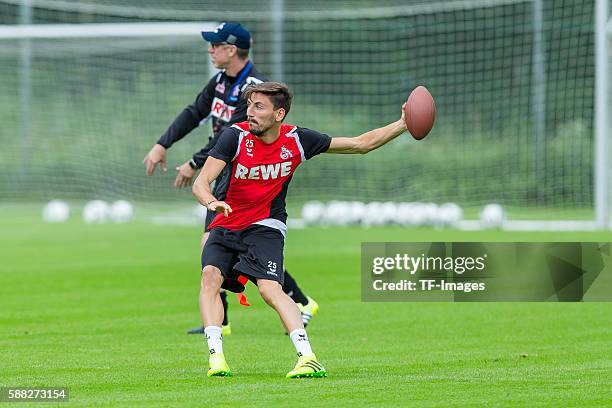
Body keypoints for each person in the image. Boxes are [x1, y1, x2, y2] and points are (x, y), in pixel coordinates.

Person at [193, 82, 407, 378]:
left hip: (265, 226)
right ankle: (216, 358)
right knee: (209, 276)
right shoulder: (235, 136)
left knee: (270, 289)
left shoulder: (298, 139)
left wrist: (404, 124)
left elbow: (361, 144)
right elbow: (201, 182)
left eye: (259, 107)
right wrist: (211, 201)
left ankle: (307, 358)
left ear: (279, 114)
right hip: (226, 221)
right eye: (250, 105)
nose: (249, 113)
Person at [142, 22, 319, 336]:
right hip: (223, 175)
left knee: (226, 241)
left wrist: (195, 163)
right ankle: (259, 310)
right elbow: (194, 112)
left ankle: (289, 303)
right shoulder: (220, 81)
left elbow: (230, 137)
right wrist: (161, 144)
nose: (210, 50)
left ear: (231, 49)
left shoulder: (255, 89)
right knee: (230, 243)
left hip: (244, 175)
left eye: (215, 44)